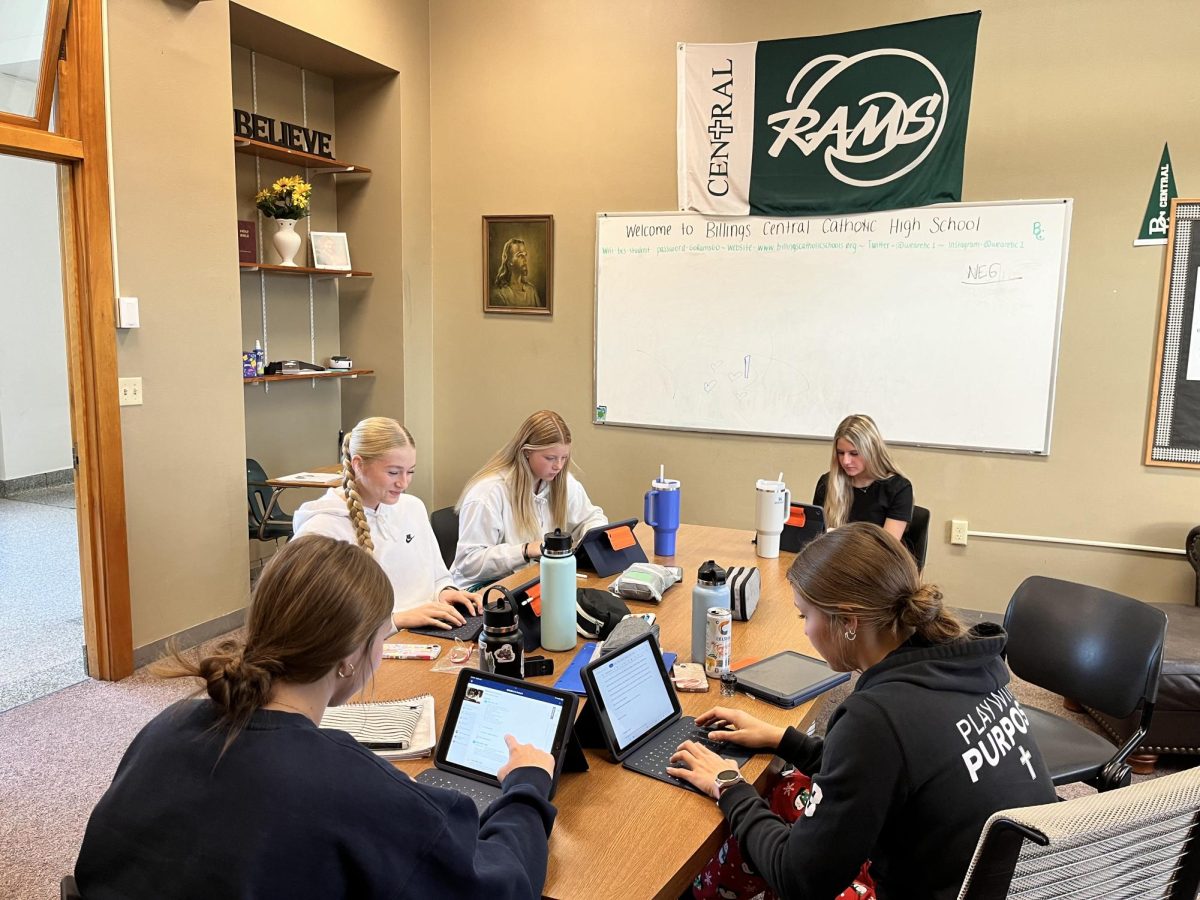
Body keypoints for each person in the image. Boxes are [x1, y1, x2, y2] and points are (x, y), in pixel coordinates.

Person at [74, 535, 559, 900]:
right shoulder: (348, 786)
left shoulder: (168, 725)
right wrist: (528, 786)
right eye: (382, 636)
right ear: (349, 656)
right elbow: (502, 887)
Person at [667, 523, 1056, 900]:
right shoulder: (966, 663)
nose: (804, 630)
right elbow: (887, 771)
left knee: (742, 842)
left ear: (849, 621)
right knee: (786, 789)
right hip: (1035, 881)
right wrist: (782, 739)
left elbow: (799, 879)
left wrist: (730, 786)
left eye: (806, 616)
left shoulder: (877, 718)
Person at [293, 417, 481, 632]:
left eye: (410, 471)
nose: (404, 482)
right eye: (393, 472)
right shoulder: (321, 528)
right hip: (372, 644)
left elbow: (438, 575)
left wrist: (445, 592)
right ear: (358, 465)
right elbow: (321, 621)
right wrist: (396, 620)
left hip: (428, 630)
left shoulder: (413, 507)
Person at [451, 410, 606, 585]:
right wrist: (524, 551)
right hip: (482, 590)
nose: (559, 466)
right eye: (550, 458)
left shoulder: (561, 481)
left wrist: (592, 536)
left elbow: (592, 518)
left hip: (530, 580)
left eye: (564, 458)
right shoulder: (489, 492)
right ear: (526, 452)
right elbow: (468, 562)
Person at [813, 413, 912, 542]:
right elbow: (815, 538)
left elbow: (887, 547)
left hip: (876, 561)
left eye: (854, 453)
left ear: (871, 451)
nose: (846, 461)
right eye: (840, 453)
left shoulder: (899, 488)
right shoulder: (827, 483)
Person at [489, 238, 542, 308]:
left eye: (525, 255)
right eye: (520, 255)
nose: (525, 260)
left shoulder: (531, 291)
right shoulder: (500, 294)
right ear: (509, 261)